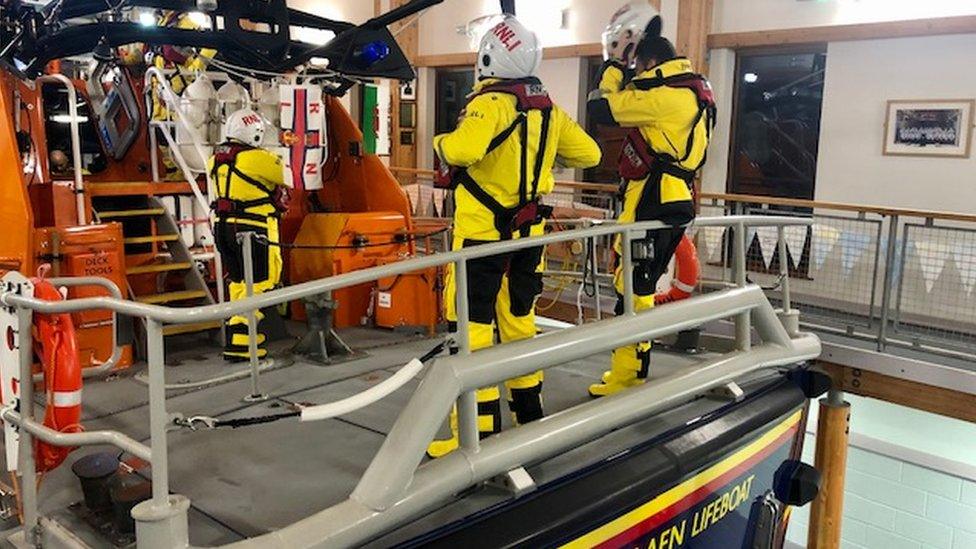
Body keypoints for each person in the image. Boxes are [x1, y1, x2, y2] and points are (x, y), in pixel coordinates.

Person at [427, 15, 601, 458]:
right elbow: (590, 153)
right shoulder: (549, 111)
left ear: (489, 57)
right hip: (528, 238)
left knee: (471, 329)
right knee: (520, 323)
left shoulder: (489, 105)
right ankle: (528, 414)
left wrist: (442, 142)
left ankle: (476, 431)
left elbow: (463, 150)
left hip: (482, 237)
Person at [586, 5, 715, 397]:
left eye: (639, 68)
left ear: (653, 61)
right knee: (637, 288)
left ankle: (628, 377)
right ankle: (632, 372)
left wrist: (613, 63)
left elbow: (601, 107)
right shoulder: (694, 90)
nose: (637, 75)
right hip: (673, 198)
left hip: (654, 200)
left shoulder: (663, 96)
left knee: (634, 290)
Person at [208, 108, 288, 362]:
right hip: (254, 229)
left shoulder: (215, 159)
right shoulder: (258, 159)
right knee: (264, 282)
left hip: (223, 229)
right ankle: (245, 342)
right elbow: (292, 175)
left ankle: (238, 340)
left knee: (239, 283)